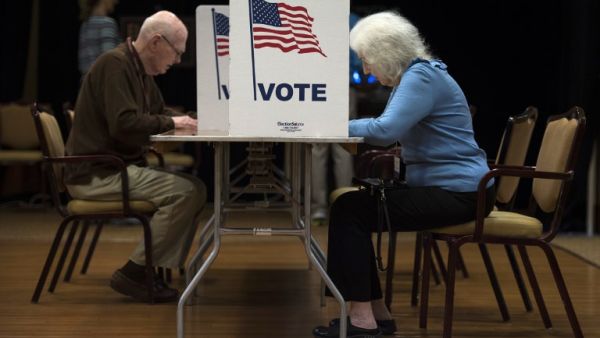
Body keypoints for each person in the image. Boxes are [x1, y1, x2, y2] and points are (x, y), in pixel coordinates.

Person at [313, 11, 495, 337]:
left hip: (461, 193)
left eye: (367, 60)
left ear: (386, 52)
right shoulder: (415, 76)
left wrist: (330, 124)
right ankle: (374, 314)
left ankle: (363, 318)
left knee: (350, 210)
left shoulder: (422, 76)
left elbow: (385, 130)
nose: (365, 70)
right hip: (453, 189)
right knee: (353, 208)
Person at [65, 10, 207, 303]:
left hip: (113, 168)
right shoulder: (115, 65)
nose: (178, 60)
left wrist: (194, 119)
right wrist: (174, 124)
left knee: (196, 189)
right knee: (187, 192)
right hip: (97, 175)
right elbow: (125, 124)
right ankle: (135, 271)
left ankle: (152, 267)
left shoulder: (137, 69)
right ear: (156, 42)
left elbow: (160, 113)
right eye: (177, 52)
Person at [310, 11, 361, 224]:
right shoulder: (352, 20)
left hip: (313, 87)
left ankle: (317, 208)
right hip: (342, 85)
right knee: (343, 146)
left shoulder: (311, 14)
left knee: (316, 148)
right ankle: (346, 203)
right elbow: (359, 62)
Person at [78, 0, 121, 76]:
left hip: (87, 85)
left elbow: (84, 65)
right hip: (104, 85)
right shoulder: (107, 23)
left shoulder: (84, 26)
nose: (116, 2)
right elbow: (110, 62)